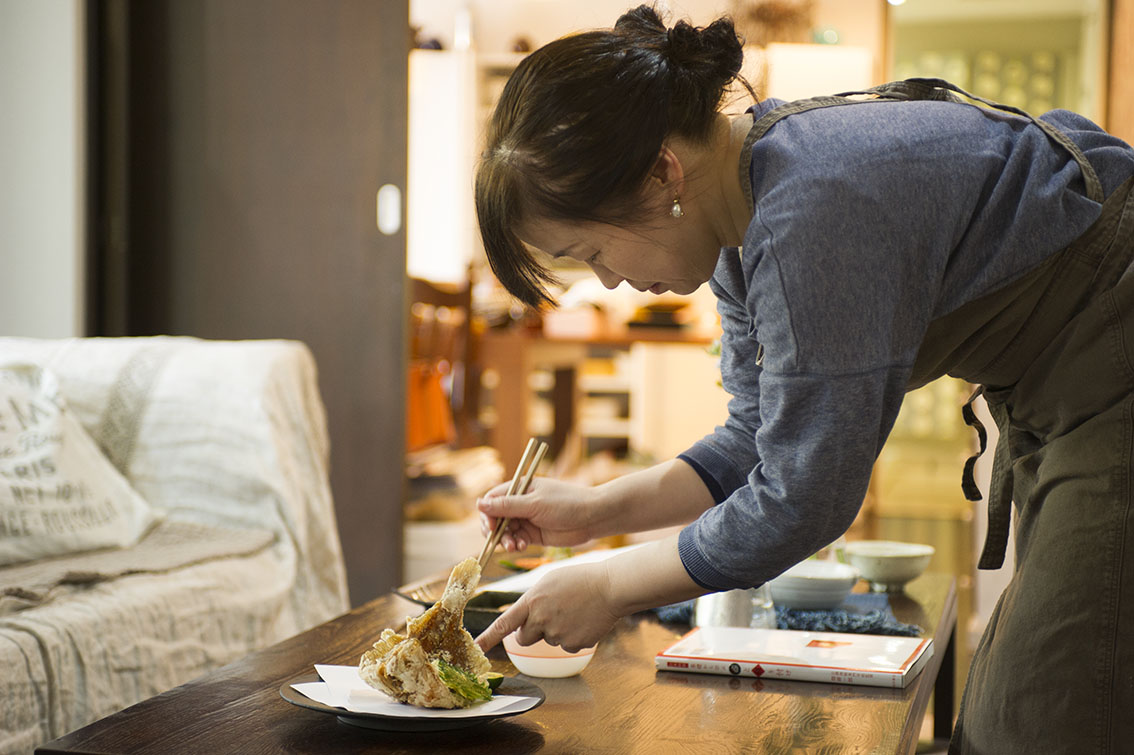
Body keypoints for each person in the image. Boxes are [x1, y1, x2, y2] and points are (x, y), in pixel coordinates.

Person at [471, 5, 1134, 752]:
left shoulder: (811, 207)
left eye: (594, 250)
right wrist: (594, 511)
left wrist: (613, 584)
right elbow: (756, 437)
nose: (613, 282)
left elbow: (802, 496)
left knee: (1045, 715)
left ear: (663, 173)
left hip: (1115, 358)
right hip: (1068, 382)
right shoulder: (737, 216)